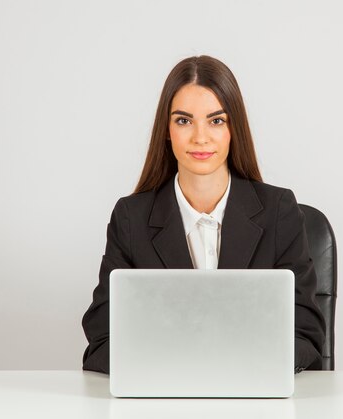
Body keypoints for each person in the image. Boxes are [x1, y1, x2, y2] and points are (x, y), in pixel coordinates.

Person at [82, 55, 326, 374]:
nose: (200, 137)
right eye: (184, 120)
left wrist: (244, 367)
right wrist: (186, 368)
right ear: (166, 130)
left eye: (216, 120)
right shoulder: (131, 219)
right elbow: (102, 343)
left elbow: (306, 337)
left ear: (233, 128)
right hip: (165, 397)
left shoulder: (279, 212)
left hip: (253, 395)